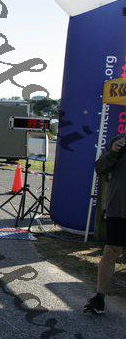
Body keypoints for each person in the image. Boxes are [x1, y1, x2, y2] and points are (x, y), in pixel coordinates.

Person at [83, 134, 126, 315]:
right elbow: (100, 169)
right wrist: (113, 153)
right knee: (112, 251)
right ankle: (99, 297)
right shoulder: (118, 142)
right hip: (119, 208)